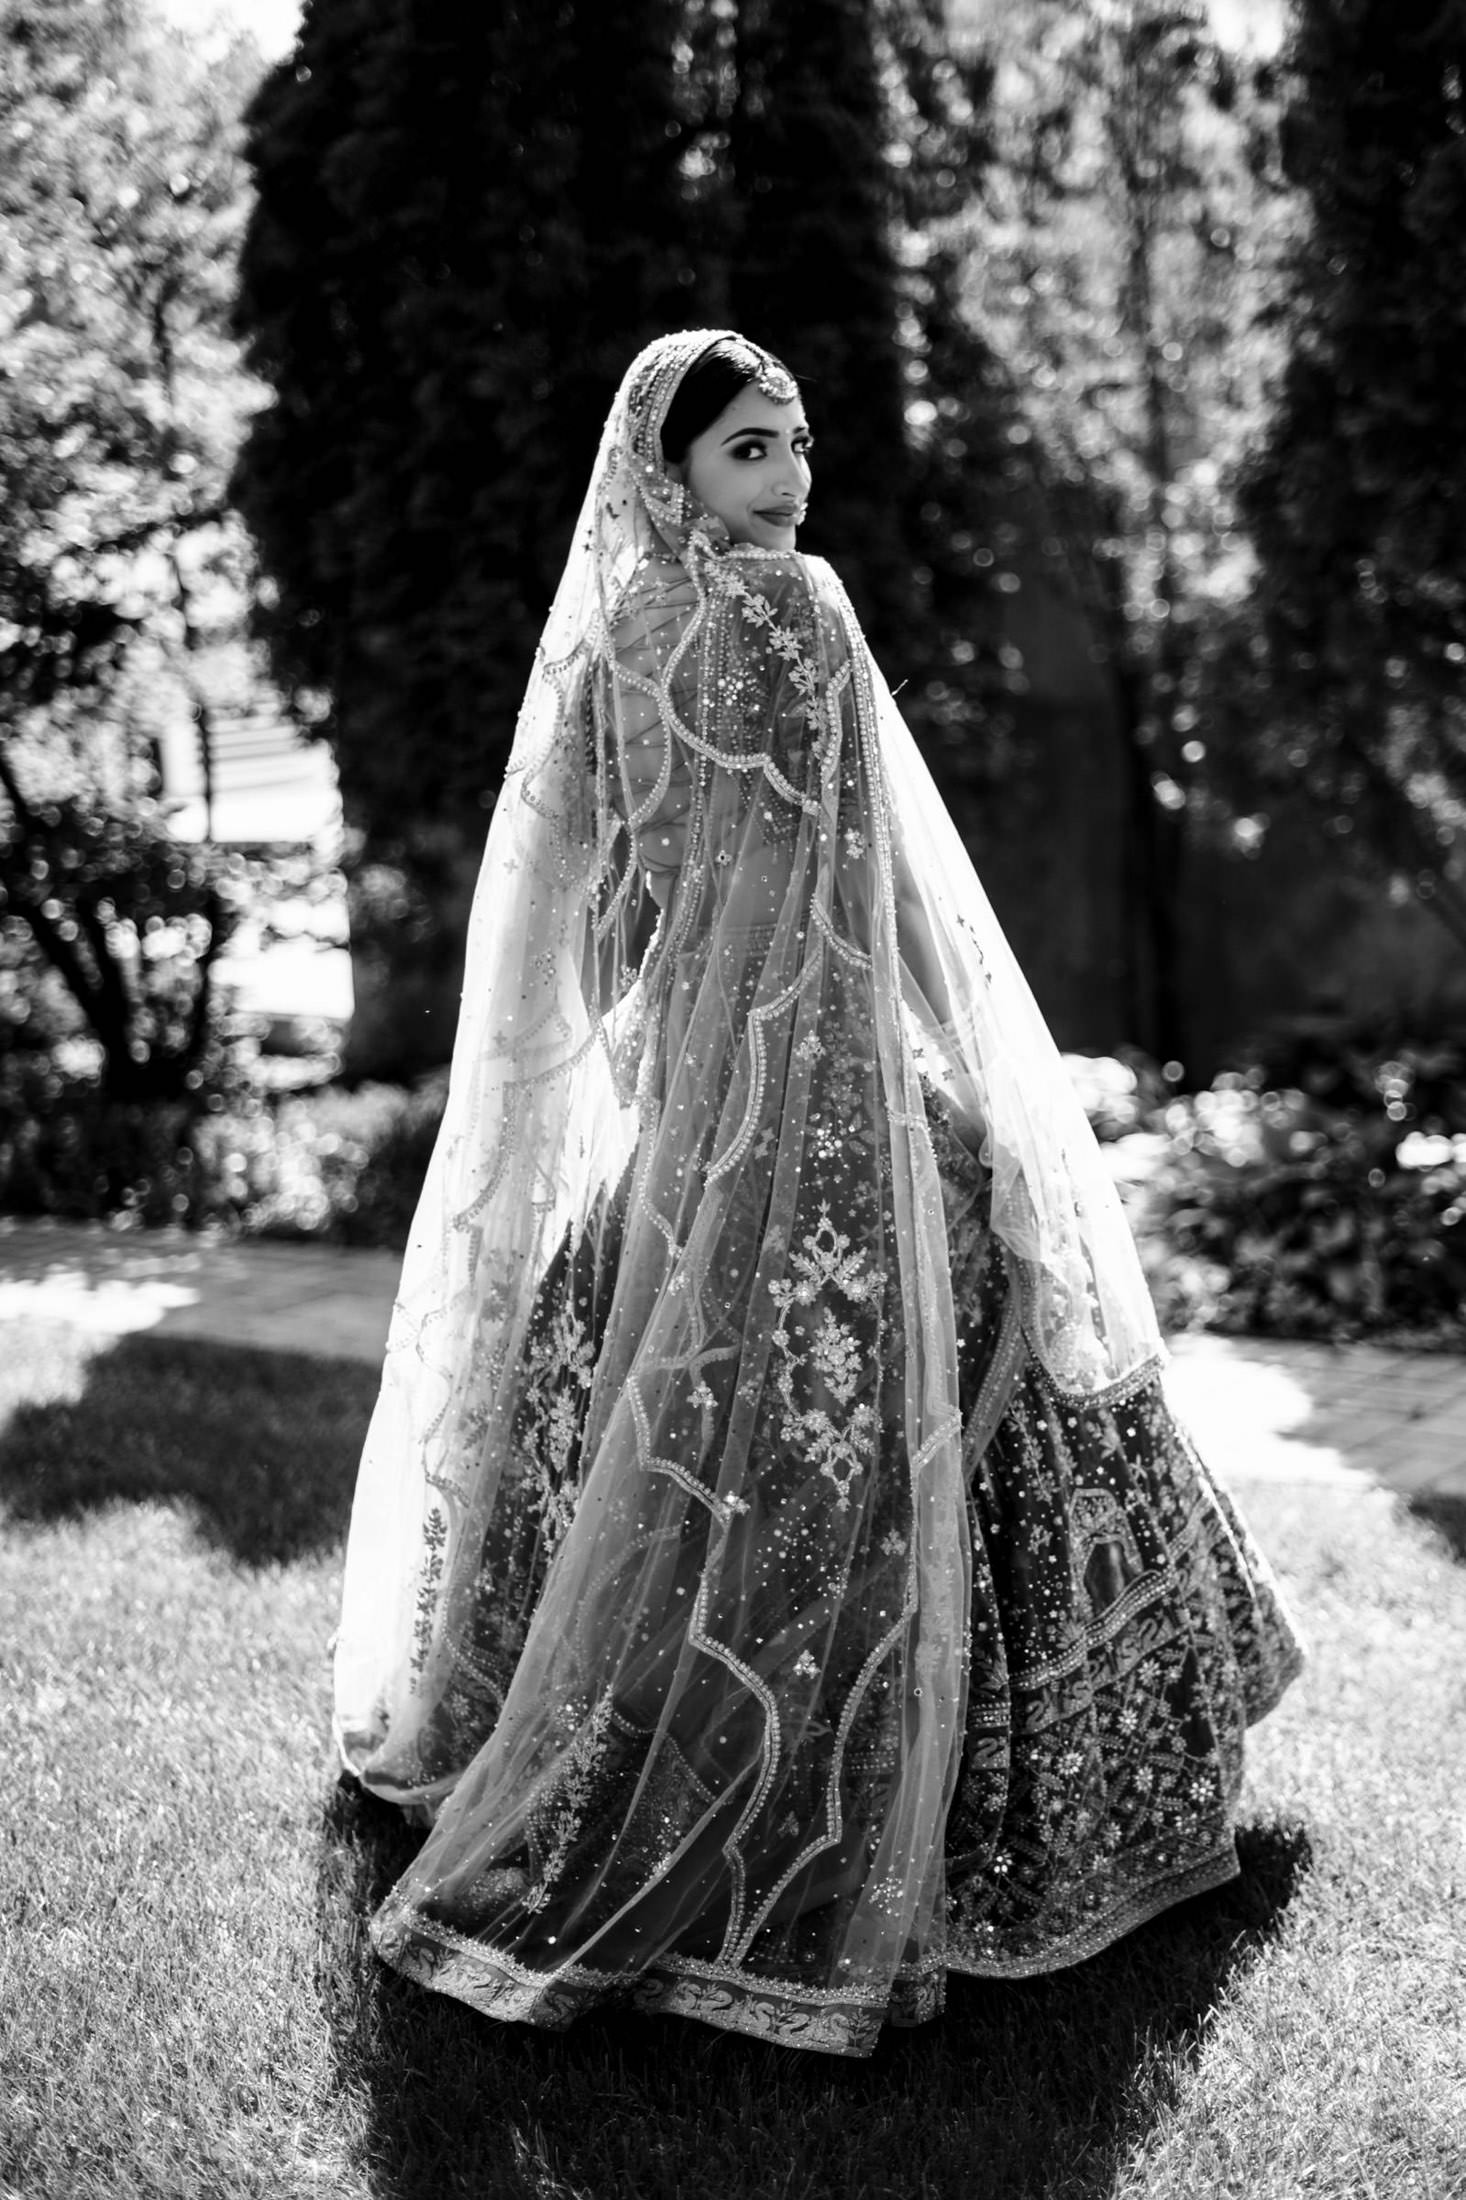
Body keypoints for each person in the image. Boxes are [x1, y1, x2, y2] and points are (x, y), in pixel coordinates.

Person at [333, 329, 1304, 2057]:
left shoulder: (610, 640)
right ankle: (941, 1806)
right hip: (837, 1080)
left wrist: (661, 1057)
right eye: (751, 451)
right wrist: (989, 1086)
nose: (788, 482)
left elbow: (597, 912)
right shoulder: (799, 611)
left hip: (699, 1095)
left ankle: (614, 1748)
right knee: (936, 1349)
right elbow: (884, 881)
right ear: (672, 469)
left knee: (656, 1387)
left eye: (796, 447)